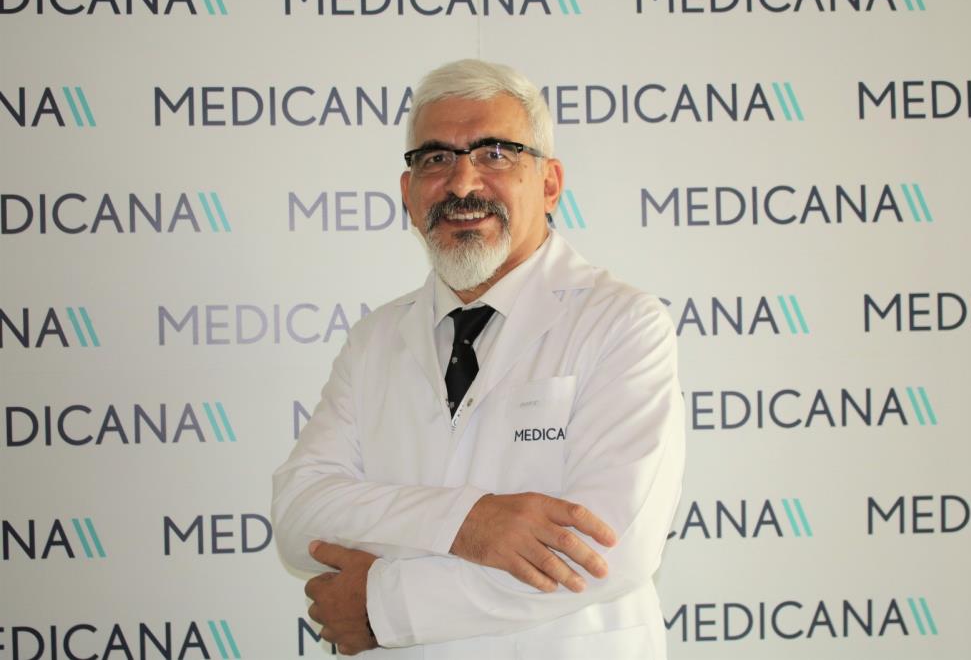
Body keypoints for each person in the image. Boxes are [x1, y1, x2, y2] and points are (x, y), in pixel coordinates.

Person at [271, 59, 686, 658]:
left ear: (549, 183)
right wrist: (469, 523)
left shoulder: (621, 323)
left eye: (495, 153)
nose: (463, 183)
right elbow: (300, 514)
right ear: (408, 193)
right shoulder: (374, 339)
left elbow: (603, 552)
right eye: (436, 158)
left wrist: (383, 606)